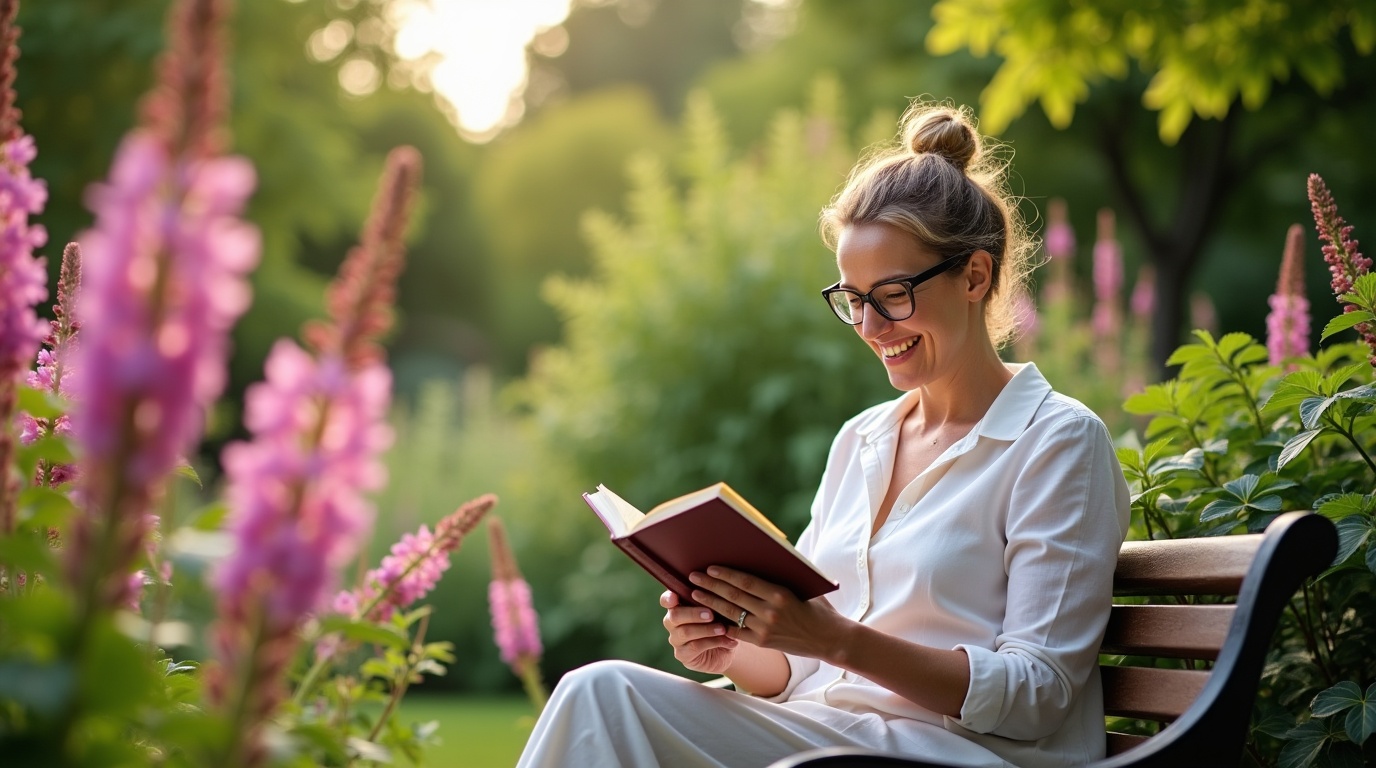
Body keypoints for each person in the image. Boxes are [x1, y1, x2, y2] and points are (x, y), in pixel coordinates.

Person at [516, 102, 1131, 768]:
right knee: (598, 692)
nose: (870, 327)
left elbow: (1039, 692)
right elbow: (799, 669)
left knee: (604, 696)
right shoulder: (862, 440)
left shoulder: (1057, 442)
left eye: (892, 294)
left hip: (950, 754)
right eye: (853, 299)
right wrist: (732, 647)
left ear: (975, 276)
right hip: (828, 740)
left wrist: (836, 641)